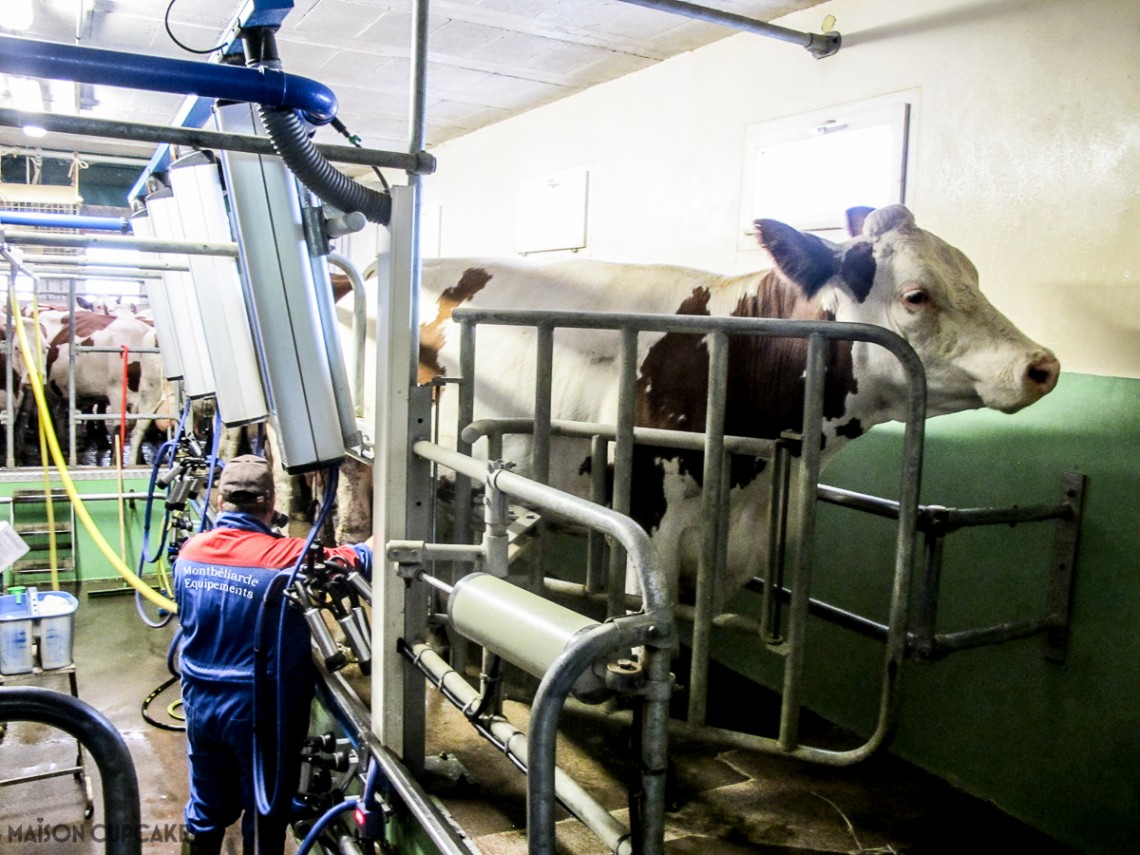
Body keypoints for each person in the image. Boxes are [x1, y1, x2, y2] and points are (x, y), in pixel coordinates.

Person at [173, 454, 373, 855]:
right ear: (269, 504)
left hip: (199, 702)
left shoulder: (190, 553)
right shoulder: (288, 558)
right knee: (265, 813)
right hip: (258, 711)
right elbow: (355, 561)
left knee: (206, 808)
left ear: (219, 502)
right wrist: (377, 536)